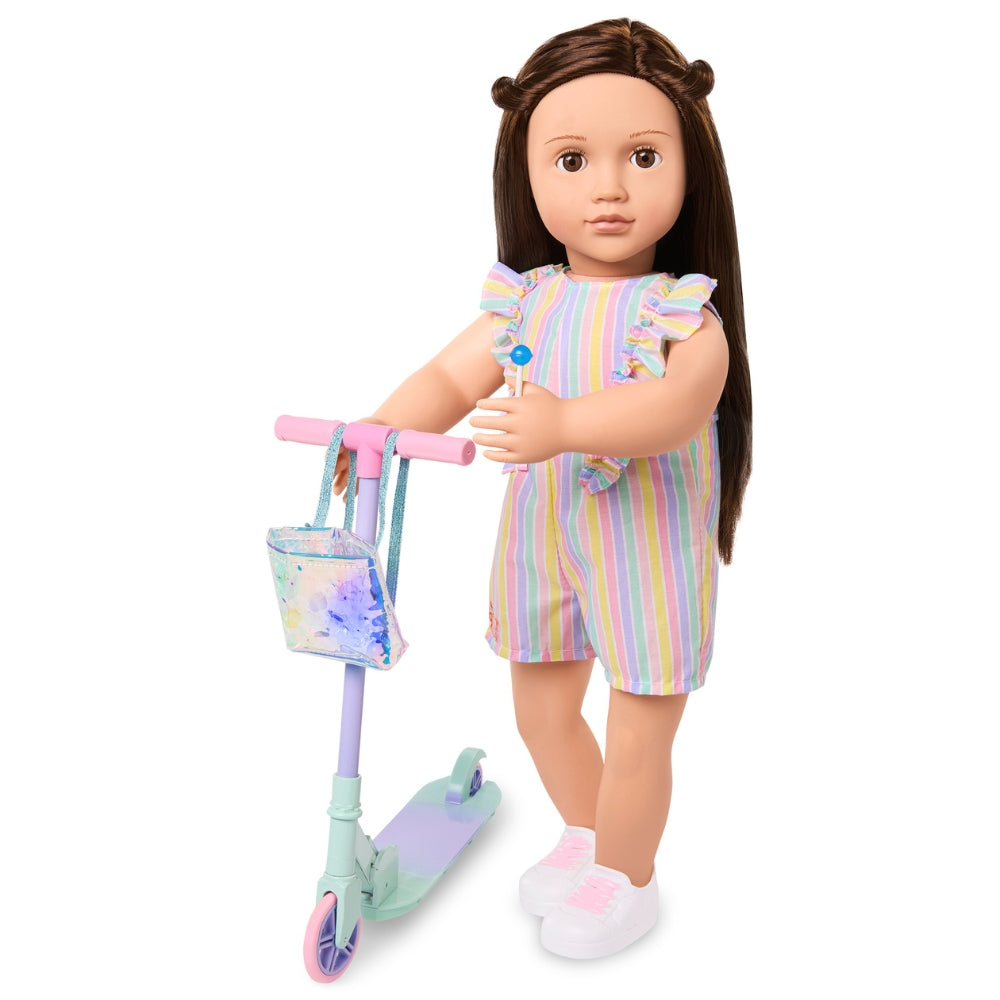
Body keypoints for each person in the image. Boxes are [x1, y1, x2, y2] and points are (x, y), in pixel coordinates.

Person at [333, 17, 751, 959]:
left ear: (690, 168)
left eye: (643, 156)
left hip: (648, 551)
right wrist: (379, 428)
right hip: (543, 541)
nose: (608, 187)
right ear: (526, 172)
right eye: (572, 160)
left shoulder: (685, 315)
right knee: (543, 710)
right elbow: (448, 377)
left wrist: (563, 425)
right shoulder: (526, 300)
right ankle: (590, 833)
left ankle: (628, 878)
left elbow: (675, 408)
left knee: (638, 729)